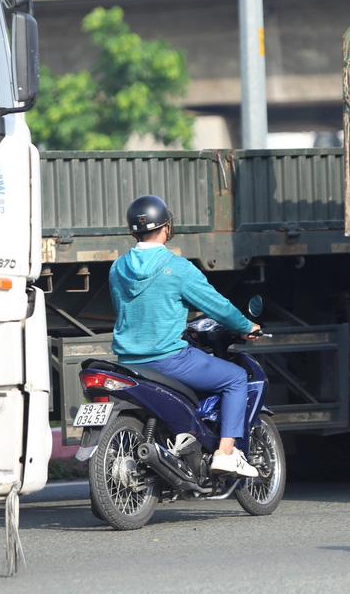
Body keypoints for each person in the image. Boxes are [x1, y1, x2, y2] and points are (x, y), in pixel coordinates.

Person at [109, 194, 263, 478]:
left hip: (127, 362)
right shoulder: (178, 268)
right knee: (235, 378)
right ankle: (226, 454)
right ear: (167, 227)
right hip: (169, 361)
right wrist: (245, 326)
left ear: (133, 229)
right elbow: (217, 306)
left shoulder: (117, 268)